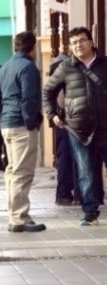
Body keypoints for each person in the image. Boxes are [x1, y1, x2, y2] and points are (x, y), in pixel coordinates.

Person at [43, 26, 107, 226]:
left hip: (106, 127)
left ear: (90, 41)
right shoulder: (66, 67)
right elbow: (48, 92)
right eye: (74, 43)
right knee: (85, 171)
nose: (78, 45)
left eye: (81, 40)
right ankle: (90, 212)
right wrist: (52, 114)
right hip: (78, 129)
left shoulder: (105, 64)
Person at [0, 31, 45, 233]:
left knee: (13, 171)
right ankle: (19, 218)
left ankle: (16, 215)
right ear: (32, 48)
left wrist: (5, 113)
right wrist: (31, 122)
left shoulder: (5, 67)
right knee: (22, 172)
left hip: (7, 125)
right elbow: (29, 99)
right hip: (22, 125)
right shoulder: (28, 67)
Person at [48, 51, 81, 206]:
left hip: (62, 120)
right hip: (69, 120)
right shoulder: (66, 67)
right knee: (73, 156)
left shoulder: (55, 67)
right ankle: (71, 193)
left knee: (65, 156)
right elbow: (61, 98)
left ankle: (65, 193)